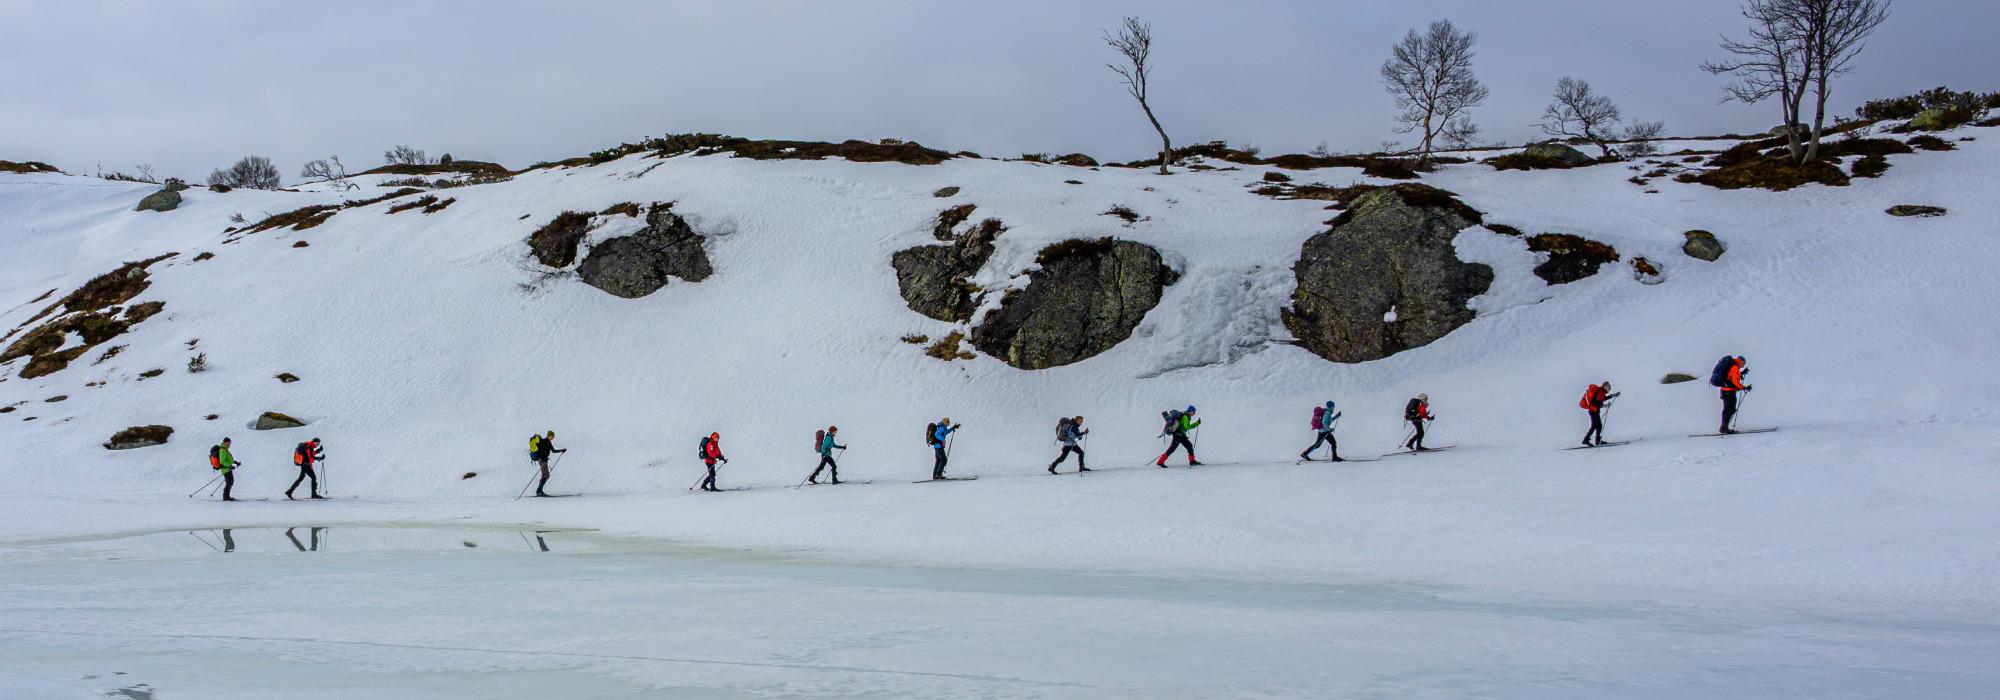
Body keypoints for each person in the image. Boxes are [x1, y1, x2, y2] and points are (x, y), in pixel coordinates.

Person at [1714, 356, 1751, 433]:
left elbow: (1730, 377)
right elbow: (1735, 381)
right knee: (1729, 409)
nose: (1743, 366)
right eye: (1743, 364)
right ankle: (1723, 428)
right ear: (1740, 362)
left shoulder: (1733, 366)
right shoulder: (1735, 367)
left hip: (1725, 391)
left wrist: (1741, 373)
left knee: (1728, 409)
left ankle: (1724, 427)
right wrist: (1744, 388)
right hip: (1728, 392)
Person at [529, 431, 566, 497]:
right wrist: (544, 458)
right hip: (542, 460)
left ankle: (539, 491)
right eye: (552, 436)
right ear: (549, 436)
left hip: (544, 460)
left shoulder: (548, 442)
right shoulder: (544, 442)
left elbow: (553, 451)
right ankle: (539, 491)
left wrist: (561, 450)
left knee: (545, 475)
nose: (553, 438)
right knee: (546, 475)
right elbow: (541, 451)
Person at [209, 437, 240, 501]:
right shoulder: (222, 450)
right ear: (225, 442)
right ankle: (226, 497)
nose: (230, 444)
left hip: (227, 468)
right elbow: (222, 461)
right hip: (225, 469)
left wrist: (235, 462)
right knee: (229, 482)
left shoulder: (225, 449)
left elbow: (228, 459)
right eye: (228, 442)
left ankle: (226, 497)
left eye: (230, 442)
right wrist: (230, 466)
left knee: (229, 482)